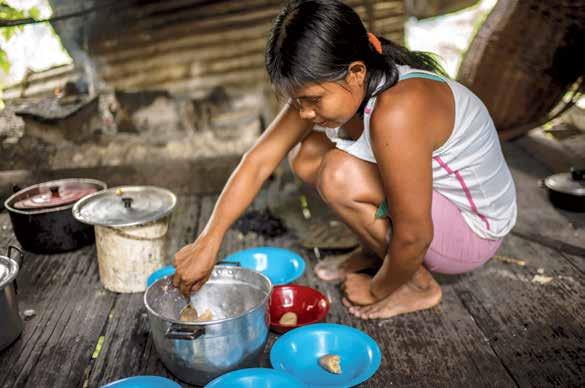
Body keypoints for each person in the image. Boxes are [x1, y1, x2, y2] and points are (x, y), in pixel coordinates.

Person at [173, 0, 517, 320]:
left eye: (313, 99)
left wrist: (376, 288)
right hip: (431, 213)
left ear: (355, 71)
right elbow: (260, 160)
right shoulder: (346, 81)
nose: (305, 112)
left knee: (339, 174)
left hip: (473, 231)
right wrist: (208, 241)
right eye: (298, 100)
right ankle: (376, 250)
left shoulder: (399, 109)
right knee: (306, 156)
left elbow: (415, 235)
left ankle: (416, 285)